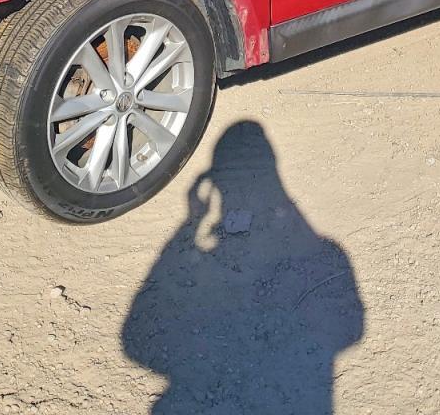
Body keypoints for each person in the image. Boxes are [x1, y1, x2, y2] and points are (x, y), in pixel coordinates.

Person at [123, 121, 363, 414]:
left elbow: (134, 342)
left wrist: (191, 222)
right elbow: (351, 331)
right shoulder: (329, 252)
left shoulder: (327, 252)